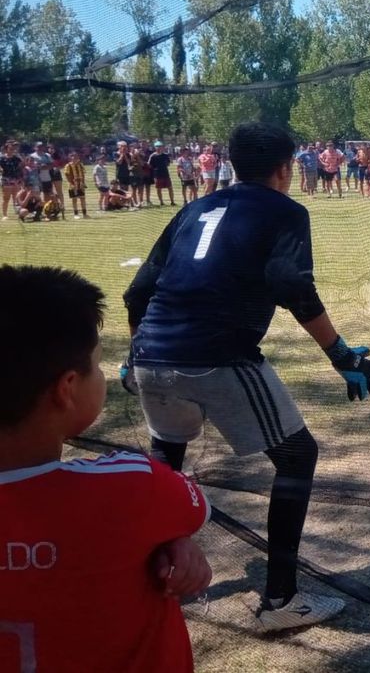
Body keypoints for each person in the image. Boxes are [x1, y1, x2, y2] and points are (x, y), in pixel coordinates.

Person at [123, 122, 370, 631]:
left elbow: (139, 291)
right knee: (297, 454)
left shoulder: (194, 207)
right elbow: (290, 284)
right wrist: (340, 355)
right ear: (286, 169)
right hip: (217, 355)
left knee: (167, 463)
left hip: (151, 353)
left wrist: (136, 352)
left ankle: (153, 587)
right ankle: (281, 602)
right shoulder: (286, 210)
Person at [0, 265, 213, 673]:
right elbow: (193, 508)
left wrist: (165, 539)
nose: (101, 376)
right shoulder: (132, 485)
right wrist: (170, 536)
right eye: (96, 365)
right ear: (66, 389)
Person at [63, 150, 89, 219]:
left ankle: (84, 213)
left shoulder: (80, 164)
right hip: (73, 184)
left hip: (80, 184)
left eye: (76, 156)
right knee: (74, 199)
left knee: (82, 198)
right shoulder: (68, 165)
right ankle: (76, 214)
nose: (75, 158)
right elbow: (67, 175)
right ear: (70, 157)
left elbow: (83, 174)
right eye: (73, 156)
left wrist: (83, 183)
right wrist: (71, 183)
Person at [2, 140, 24, 220]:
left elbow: (22, 165)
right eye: (10, 148)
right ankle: (4, 215)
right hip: (6, 179)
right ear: (6, 149)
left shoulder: (16, 158)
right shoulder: (2, 158)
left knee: (16, 197)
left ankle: (19, 213)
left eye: (13, 149)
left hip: (16, 179)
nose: (12, 150)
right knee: (6, 198)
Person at [149, 142, 175, 206]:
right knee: (158, 188)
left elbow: (168, 163)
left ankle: (172, 201)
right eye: (157, 146)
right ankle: (161, 202)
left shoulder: (165, 155)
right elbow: (149, 164)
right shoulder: (153, 156)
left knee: (170, 187)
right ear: (155, 147)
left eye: (160, 146)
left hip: (165, 173)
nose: (159, 148)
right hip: (157, 174)